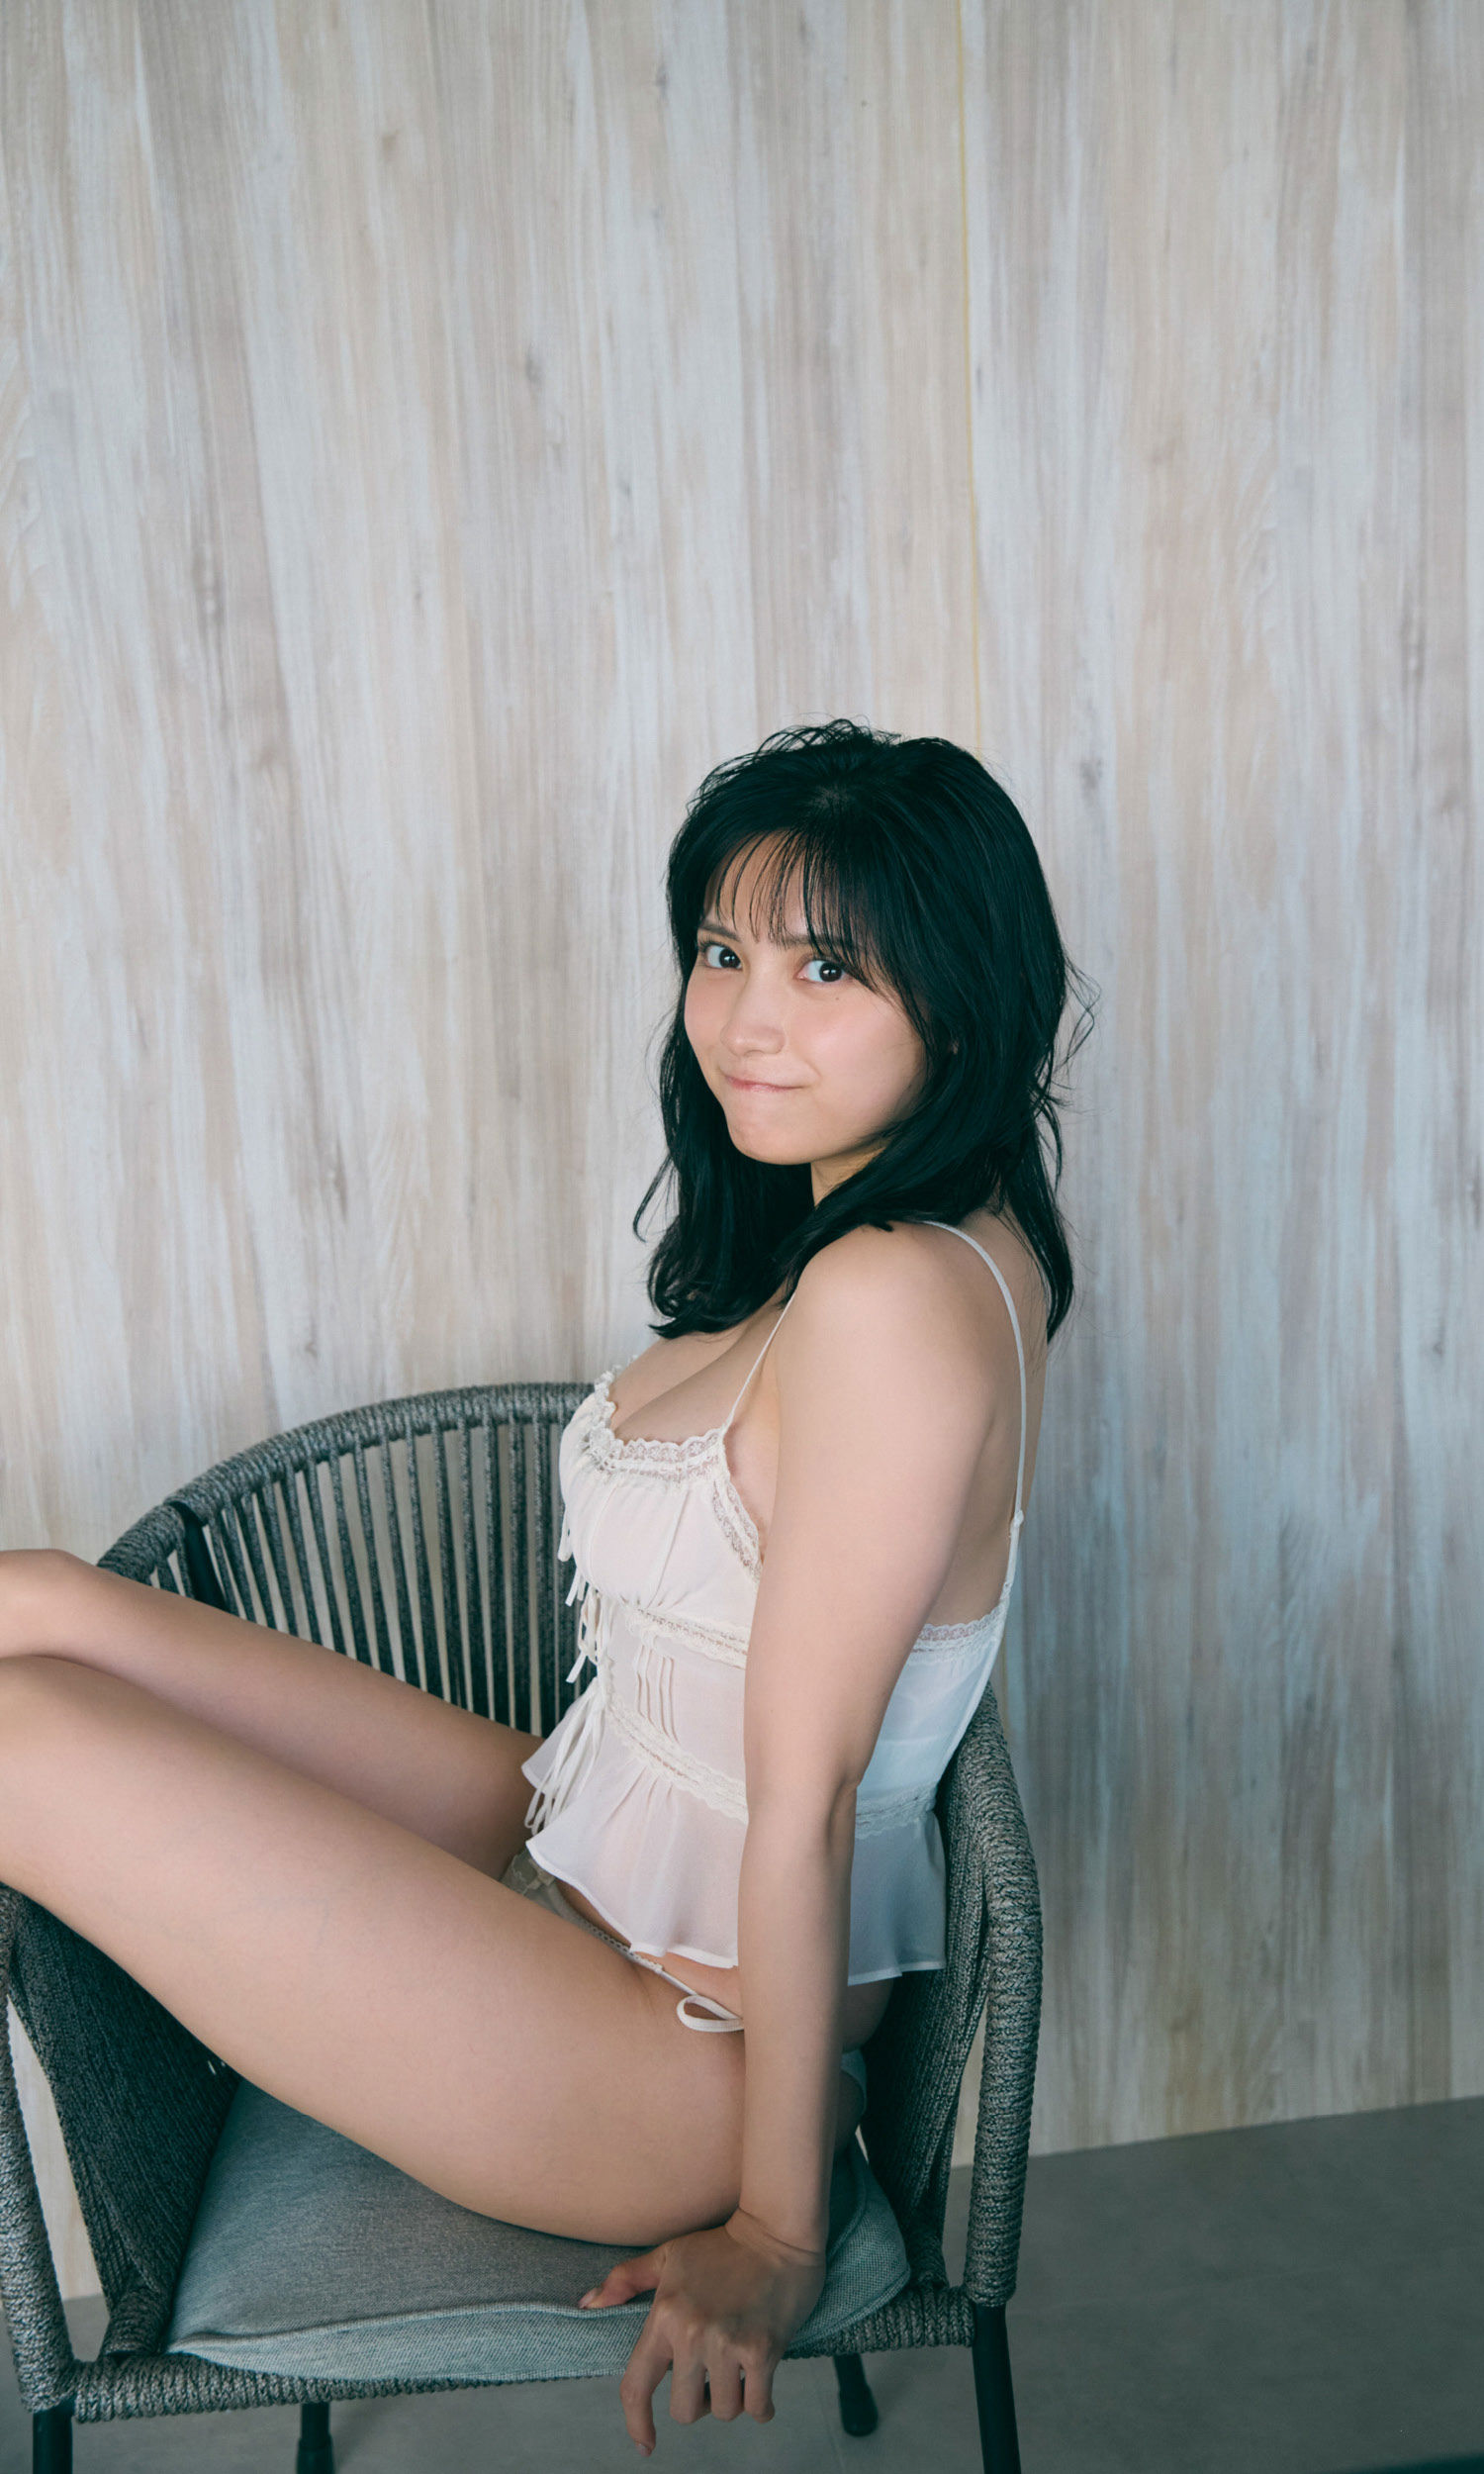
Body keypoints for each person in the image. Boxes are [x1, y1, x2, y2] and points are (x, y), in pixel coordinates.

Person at [0, 717, 1089, 2454]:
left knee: (16, 1736)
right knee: (44, 1600)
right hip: (574, 1837)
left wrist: (778, 2233)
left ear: (956, 1001)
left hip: (670, 2047)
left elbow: (805, 1800)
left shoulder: (894, 1301)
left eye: (827, 969)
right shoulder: (912, 1234)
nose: (747, 1020)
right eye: (723, 953)